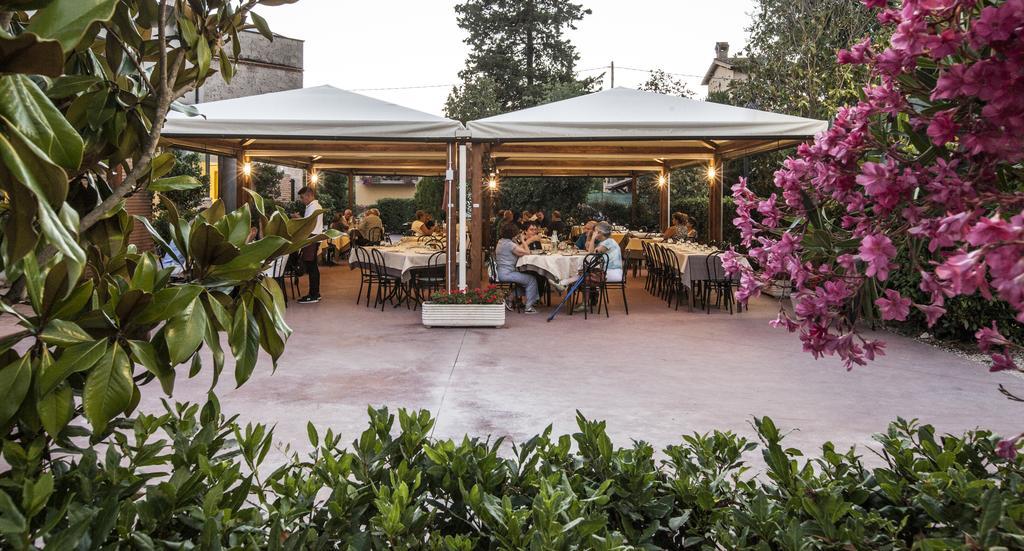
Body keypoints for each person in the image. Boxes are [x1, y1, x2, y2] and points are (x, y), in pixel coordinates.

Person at [494, 222, 541, 314]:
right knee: (531, 280)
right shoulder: (510, 245)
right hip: (507, 274)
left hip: (501, 272)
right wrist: (523, 240)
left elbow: (517, 249)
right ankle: (529, 307)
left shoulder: (502, 241)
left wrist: (518, 240)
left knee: (525, 280)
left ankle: (509, 298)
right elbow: (527, 252)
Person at [292, 186, 323, 304]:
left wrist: (297, 218)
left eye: (302, 197)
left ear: (309, 195)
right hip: (313, 238)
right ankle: (315, 293)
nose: (301, 199)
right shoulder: (313, 206)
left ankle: (313, 294)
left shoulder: (314, 207)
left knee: (311, 267)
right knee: (312, 266)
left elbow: (308, 224)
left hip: (312, 238)